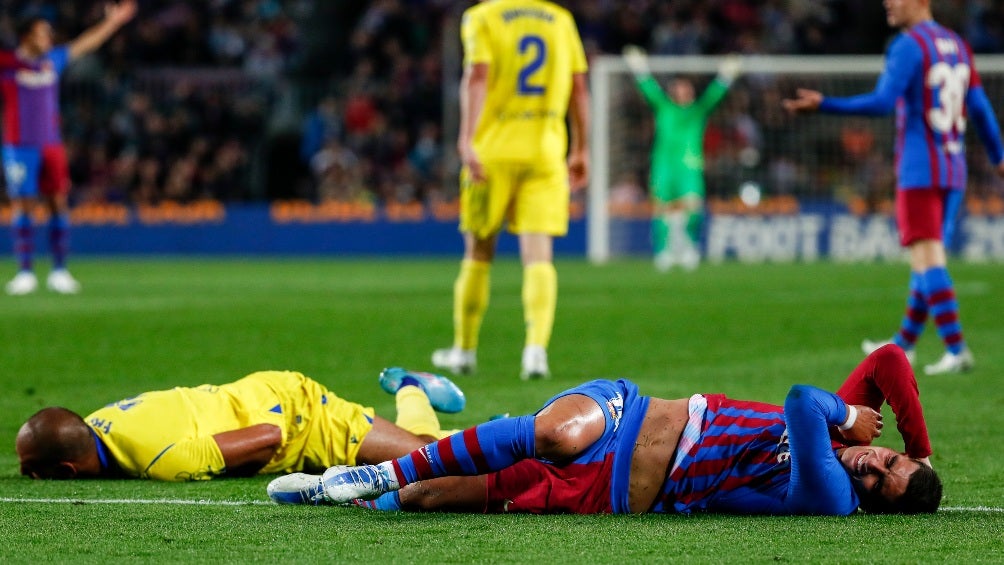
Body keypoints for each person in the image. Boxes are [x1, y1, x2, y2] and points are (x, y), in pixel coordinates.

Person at [268, 345, 941, 515]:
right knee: (556, 431)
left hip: (606, 489)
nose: (872, 466)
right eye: (888, 459)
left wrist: (848, 417)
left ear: (873, 502)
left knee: (426, 493)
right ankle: (373, 474)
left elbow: (801, 401)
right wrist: (921, 450)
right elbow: (887, 361)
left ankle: (416, 398)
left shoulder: (832, 493)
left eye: (884, 480)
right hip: (627, 409)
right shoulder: (861, 446)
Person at [782, 0, 1004, 375]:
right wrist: (999, 158)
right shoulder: (958, 45)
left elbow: (883, 102)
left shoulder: (908, 44)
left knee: (928, 258)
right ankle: (904, 344)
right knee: (925, 259)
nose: (887, 1)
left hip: (919, 169)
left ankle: (956, 347)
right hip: (953, 167)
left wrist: (825, 104)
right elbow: (980, 107)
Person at [430, 0, 591, 380]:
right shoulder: (560, 19)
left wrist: (466, 139)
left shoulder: (482, 16)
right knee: (538, 256)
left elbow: (477, 76)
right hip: (546, 152)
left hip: (493, 152)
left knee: (479, 251)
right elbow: (578, 87)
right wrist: (581, 147)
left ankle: (464, 350)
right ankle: (536, 352)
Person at [15, 367, 466, 481]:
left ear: (65, 471)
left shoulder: (162, 460)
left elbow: (267, 439)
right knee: (429, 453)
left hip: (297, 415)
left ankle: (412, 387)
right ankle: (490, 428)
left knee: (427, 458)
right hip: (260, 392)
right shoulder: (97, 422)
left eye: (29, 469)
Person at [0, 1, 137, 296]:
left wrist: (112, 23)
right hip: (19, 146)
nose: (48, 38)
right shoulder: (7, 65)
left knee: (57, 203)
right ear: (26, 36)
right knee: (23, 205)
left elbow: (85, 44)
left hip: (51, 144)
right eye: (41, 33)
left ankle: (59, 271)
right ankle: (25, 272)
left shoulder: (52, 60)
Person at [623, 47, 742, 272]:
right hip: (663, 167)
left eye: (686, 88)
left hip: (689, 168)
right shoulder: (664, 108)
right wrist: (639, 69)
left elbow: (712, 97)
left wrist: (725, 76)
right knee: (662, 211)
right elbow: (650, 90)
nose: (682, 91)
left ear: (691, 92)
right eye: (678, 87)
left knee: (693, 209)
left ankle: (689, 247)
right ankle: (663, 252)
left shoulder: (697, 113)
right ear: (673, 92)